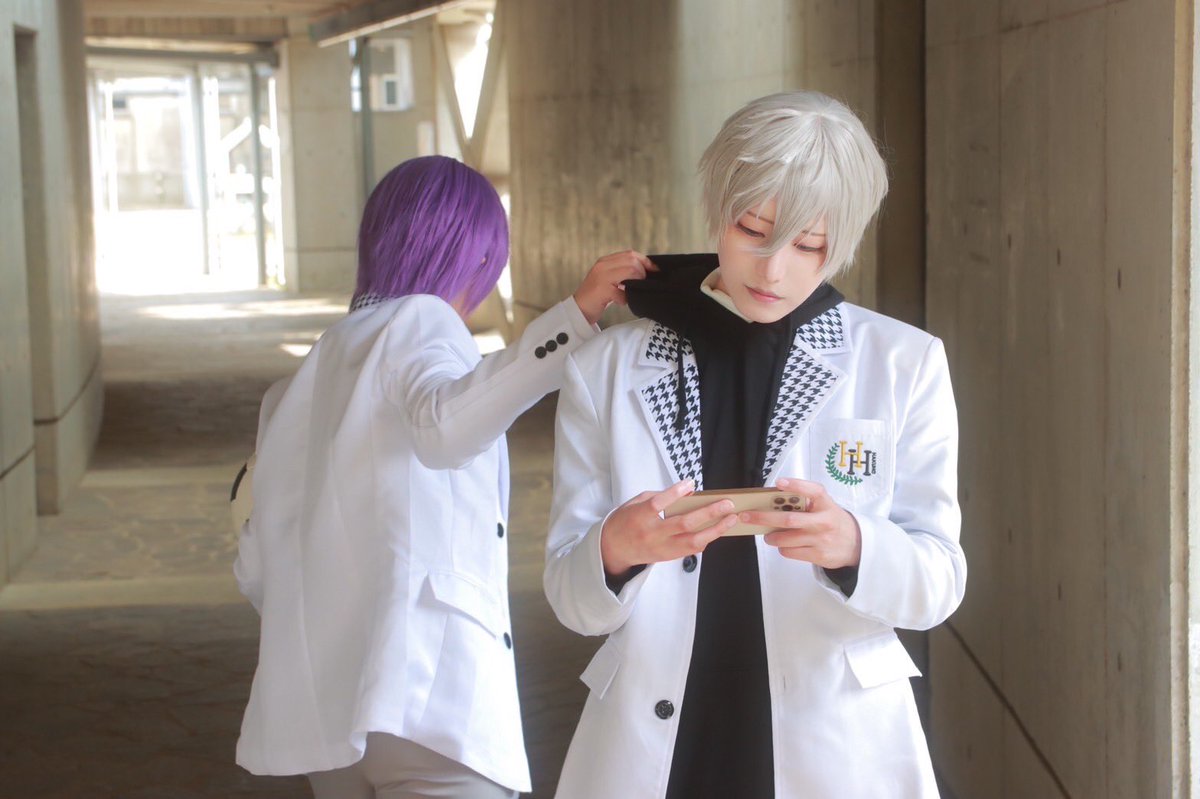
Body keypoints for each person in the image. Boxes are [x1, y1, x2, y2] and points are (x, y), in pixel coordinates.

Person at [543, 91, 965, 798]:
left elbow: (939, 582)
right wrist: (615, 549)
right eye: (753, 231)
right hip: (656, 744)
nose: (774, 270)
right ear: (718, 210)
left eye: (809, 246)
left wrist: (854, 544)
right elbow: (570, 597)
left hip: (836, 745)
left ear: (843, 243)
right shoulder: (604, 369)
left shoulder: (902, 364)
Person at [233, 155, 649, 799]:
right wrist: (576, 316)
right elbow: (444, 428)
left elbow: (256, 568)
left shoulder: (293, 388)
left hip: (326, 720)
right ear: (475, 256)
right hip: (426, 695)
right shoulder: (419, 321)